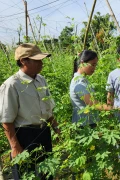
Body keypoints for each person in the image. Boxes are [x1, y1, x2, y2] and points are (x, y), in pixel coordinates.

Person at [0, 43, 60, 179]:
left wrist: (56, 128)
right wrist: (15, 146)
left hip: (44, 131)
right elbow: (6, 120)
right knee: (26, 173)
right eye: (37, 60)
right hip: (24, 135)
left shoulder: (41, 80)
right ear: (23, 61)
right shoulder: (11, 85)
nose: (41, 63)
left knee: (47, 172)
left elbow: (48, 109)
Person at [70, 50, 120, 127]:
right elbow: (94, 104)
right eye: (93, 64)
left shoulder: (83, 80)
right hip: (84, 126)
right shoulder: (78, 83)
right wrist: (117, 109)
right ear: (82, 63)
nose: (94, 68)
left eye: (95, 65)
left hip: (89, 122)